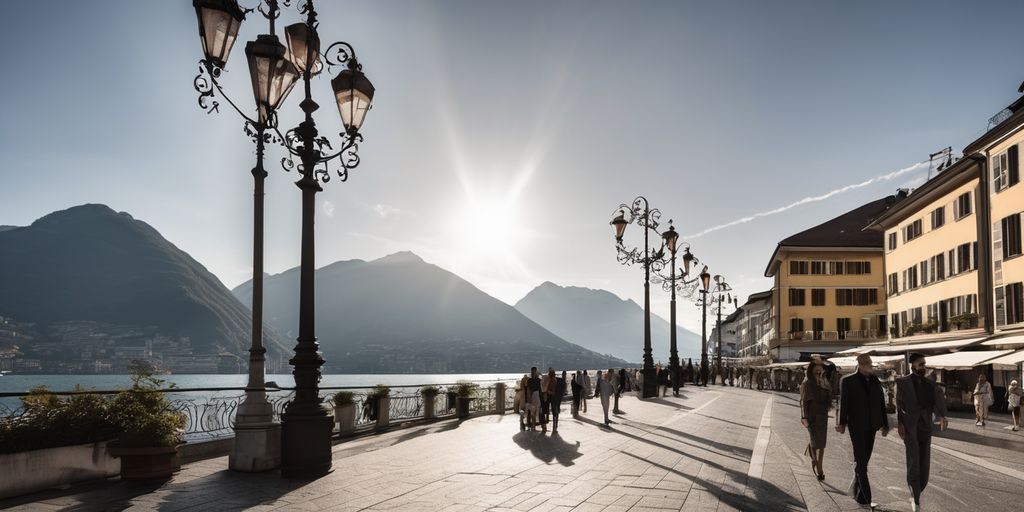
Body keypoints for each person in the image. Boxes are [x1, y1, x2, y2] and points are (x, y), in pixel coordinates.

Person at [836, 353, 889, 509]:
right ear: (860, 364)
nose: (870, 366)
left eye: (870, 363)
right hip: (856, 426)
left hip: (872, 426)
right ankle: (867, 499)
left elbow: (881, 403)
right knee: (861, 461)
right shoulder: (847, 381)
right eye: (867, 364)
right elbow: (844, 403)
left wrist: (885, 425)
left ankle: (859, 494)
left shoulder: (875, 381)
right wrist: (842, 423)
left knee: (863, 461)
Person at [896, 353, 948, 512]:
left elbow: (938, 398)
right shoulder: (902, 382)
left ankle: (918, 489)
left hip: (926, 428)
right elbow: (899, 404)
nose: (923, 367)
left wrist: (943, 415)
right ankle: (915, 496)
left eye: (924, 364)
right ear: (912, 366)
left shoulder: (930, 384)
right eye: (920, 365)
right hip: (910, 428)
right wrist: (900, 423)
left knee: (924, 465)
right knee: (914, 462)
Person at [800, 359, 831, 481]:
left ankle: (818, 463)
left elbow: (829, 399)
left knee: (822, 444)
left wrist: (824, 383)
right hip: (811, 417)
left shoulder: (824, 383)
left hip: (823, 417)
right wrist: (804, 418)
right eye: (816, 369)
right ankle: (819, 468)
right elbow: (803, 402)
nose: (819, 371)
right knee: (815, 441)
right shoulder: (807, 384)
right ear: (811, 370)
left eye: (821, 369)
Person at [526, 367, 542, 431]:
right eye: (532, 372)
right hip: (531, 396)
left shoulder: (539, 380)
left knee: (536, 411)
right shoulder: (529, 380)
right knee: (532, 412)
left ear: (536, 372)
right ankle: (533, 425)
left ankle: (534, 425)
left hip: (537, 396)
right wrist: (528, 398)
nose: (533, 373)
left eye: (534, 372)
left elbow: (540, 390)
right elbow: (528, 389)